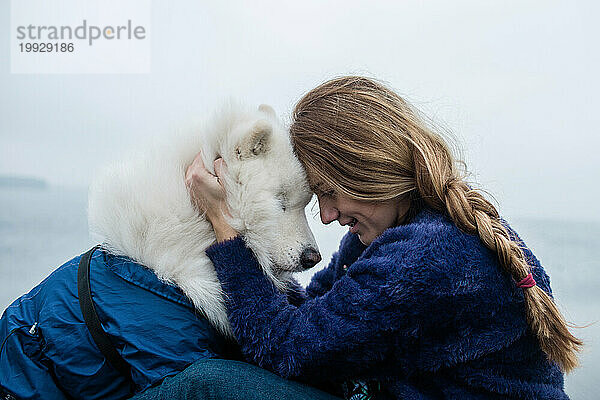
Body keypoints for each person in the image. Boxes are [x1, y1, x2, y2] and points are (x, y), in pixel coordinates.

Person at [135, 76, 582, 399]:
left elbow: (288, 348)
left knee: (207, 387)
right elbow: (314, 311)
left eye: (329, 193)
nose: (326, 216)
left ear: (366, 169)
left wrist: (225, 228)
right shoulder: (394, 232)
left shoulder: (427, 257)